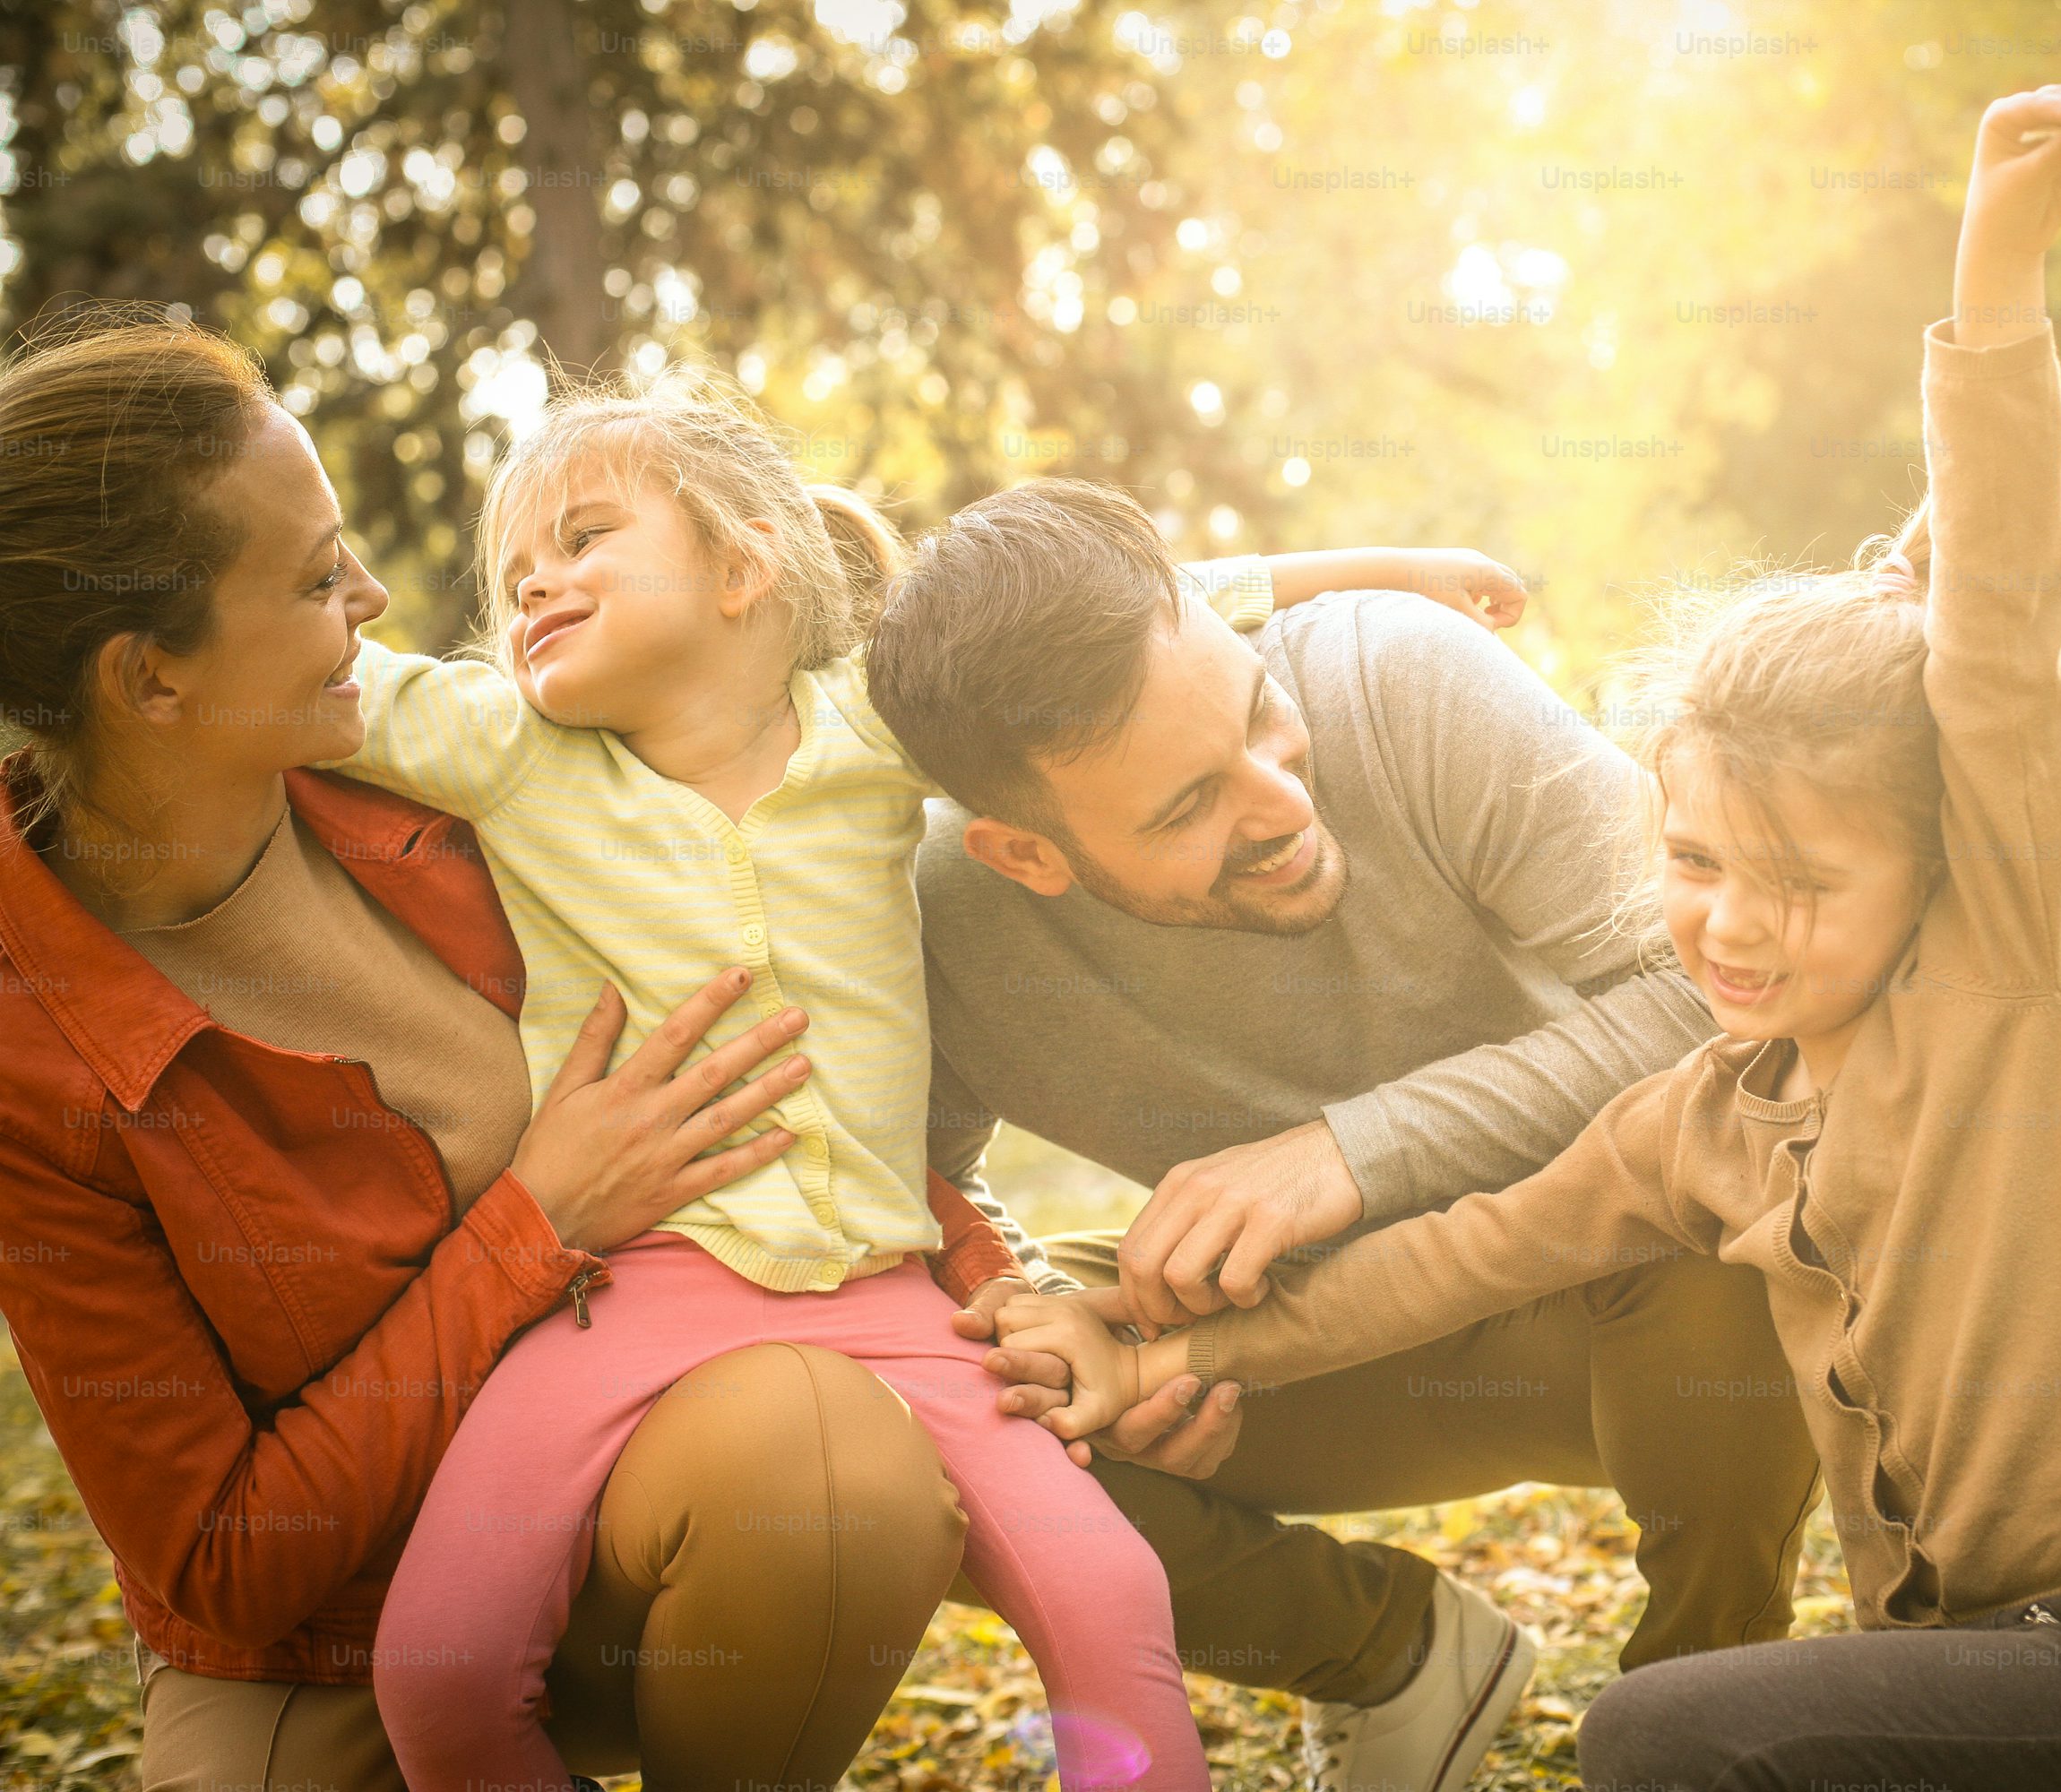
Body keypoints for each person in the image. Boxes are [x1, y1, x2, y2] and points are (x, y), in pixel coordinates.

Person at [996, 85, 2061, 1792]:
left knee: (1662, 1738)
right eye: (1693, 859)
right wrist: (1159, 1350)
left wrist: (1993, 278)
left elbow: (1998, 634)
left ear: (1934, 864)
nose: (1732, 924)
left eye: (1802, 884)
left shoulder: (2006, 984)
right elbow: (1438, 1262)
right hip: (1981, 1678)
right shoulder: (1704, 1119)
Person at [329, 369, 1522, 1792]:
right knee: (441, 1677)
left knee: (1110, 1599)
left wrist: (1387, 574)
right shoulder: (508, 753)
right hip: (625, 1294)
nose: (534, 586)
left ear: (740, 564)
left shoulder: (868, 735)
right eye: (515, 572)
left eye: (582, 539)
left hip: (893, 1300)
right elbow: (307, 686)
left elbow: (1115, 627)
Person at [0, 313, 995, 1792]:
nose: (377, 595)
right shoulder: (29, 1055)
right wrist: (533, 1223)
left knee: (826, 1468)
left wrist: (991, 1277)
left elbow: (780, 1048)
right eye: (314, 576)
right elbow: (221, 1557)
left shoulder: (472, 783)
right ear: (151, 681)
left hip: (648, 1510)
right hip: (329, 1643)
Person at [877, 480, 1821, 1791]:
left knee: (1722, 1177)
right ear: (1024, 855)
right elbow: (906, 1187)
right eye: (1185, 807)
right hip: (1308, 1346)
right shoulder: (934, 920)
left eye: (1260, 714)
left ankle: (1699, 1709)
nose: (1279, 805)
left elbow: (1715, 1008)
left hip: (1635, 1310)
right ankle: (1388, 1655)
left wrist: (1348, 1150)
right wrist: (1046, 1311)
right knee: (931, 1400)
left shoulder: (1402, 677)